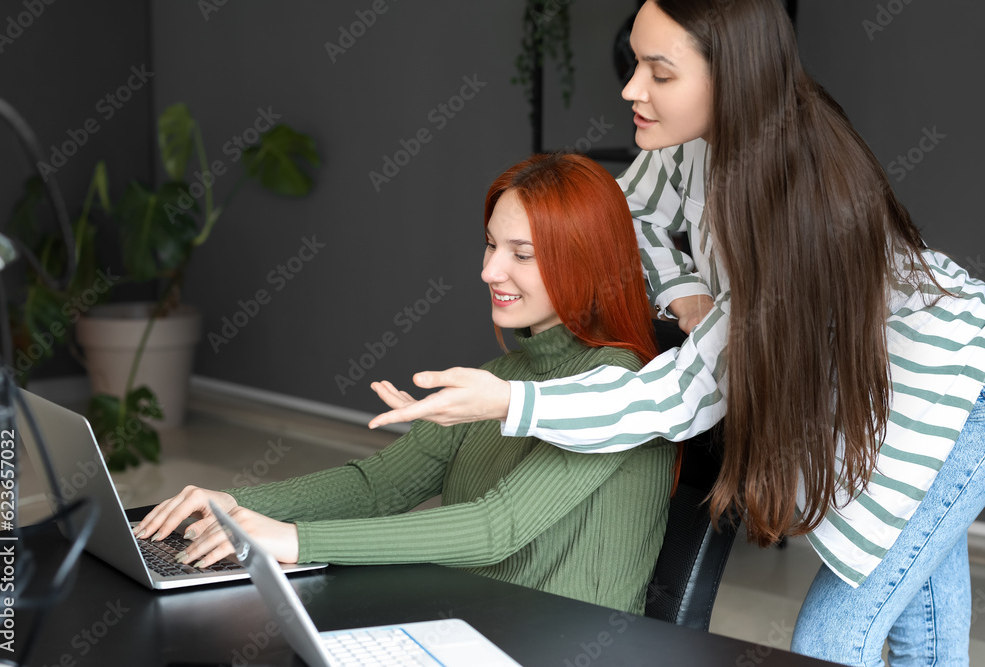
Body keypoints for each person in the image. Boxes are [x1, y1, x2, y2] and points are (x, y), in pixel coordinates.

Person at [367, 1, 985, 665]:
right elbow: (629, 215)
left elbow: (676, 395)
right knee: (922, 630)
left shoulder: (793, 200)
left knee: (832, 642)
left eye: (660, 72)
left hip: (954, 391)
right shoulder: (700, 137)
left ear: (732, 78)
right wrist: (682, 289)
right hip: (903, 391)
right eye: (636, 61)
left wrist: (507, 402)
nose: (632, 88)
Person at [133, 153, 677, 615]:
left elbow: (496, 528)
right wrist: (234, 505)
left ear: (587, 263)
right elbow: (378, 487)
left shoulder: (618, 391)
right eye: (491, 245)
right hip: (472, 623)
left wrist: (295, 540)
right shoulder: (502, 377)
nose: (489, 271)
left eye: (522, 255)